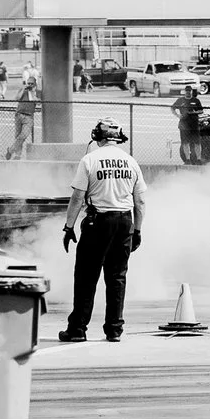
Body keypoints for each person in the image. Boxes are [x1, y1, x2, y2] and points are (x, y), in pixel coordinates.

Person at [57, 119, 146, 344]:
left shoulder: (89, 160)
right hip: (125, 221)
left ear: (99, 136)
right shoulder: (131, 162)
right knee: (117, 277)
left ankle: (77, 329)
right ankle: (114, 329)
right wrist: (137, 230)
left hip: (98, 222)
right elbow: (140, 201)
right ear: (119, 138)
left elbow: (78, 196)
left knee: (87, 276)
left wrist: (69, 226)